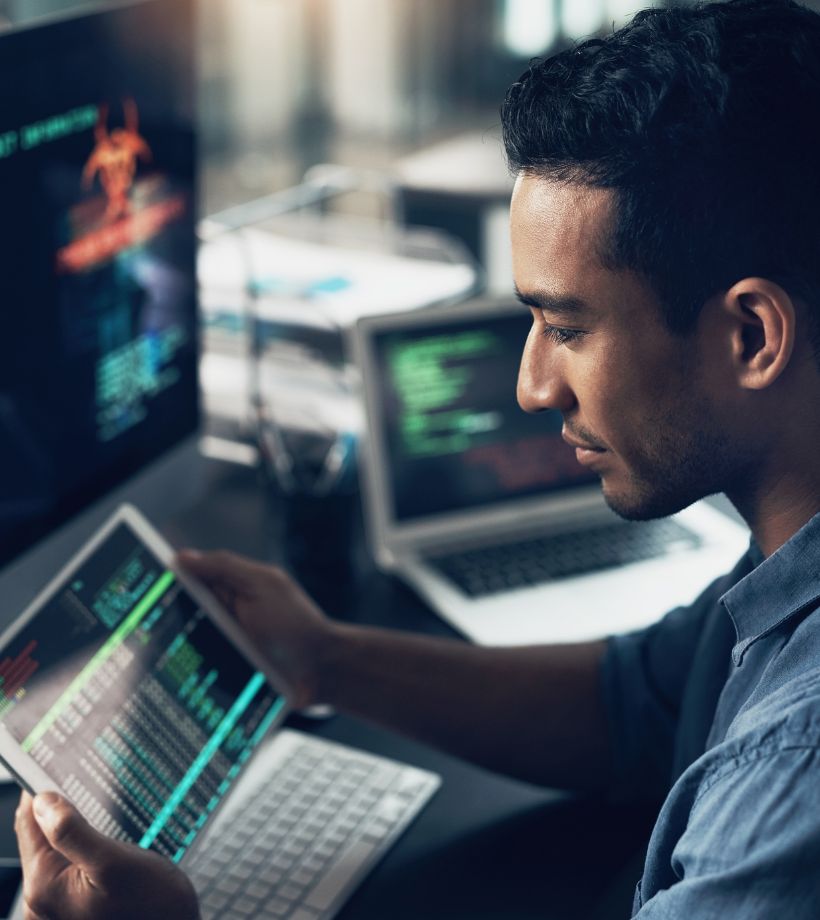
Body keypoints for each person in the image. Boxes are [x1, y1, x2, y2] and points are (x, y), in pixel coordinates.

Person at [16, 0, 820, 915]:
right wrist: (322, 658)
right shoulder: (788, 536)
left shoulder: (793, 772)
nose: (533, 386)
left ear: (752, 335)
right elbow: (642, 706)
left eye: (566, 326)